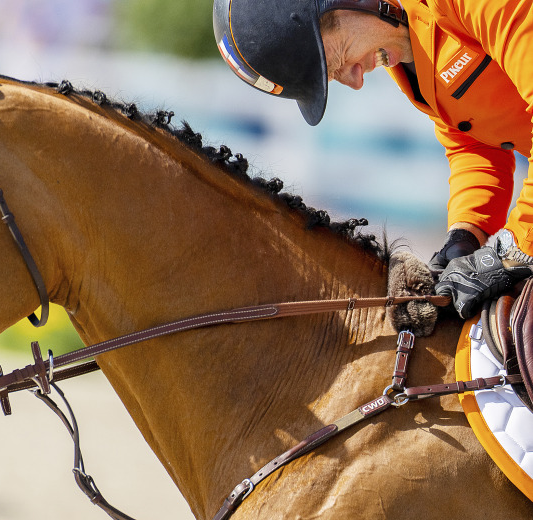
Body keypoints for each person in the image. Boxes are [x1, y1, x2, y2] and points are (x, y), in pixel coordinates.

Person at [213, 0, 533, 319]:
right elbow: (475, 142)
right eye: (336, 77)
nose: (356, 81)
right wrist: (467, 235)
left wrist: (511, 247)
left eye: (335, 60)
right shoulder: (403, 52)